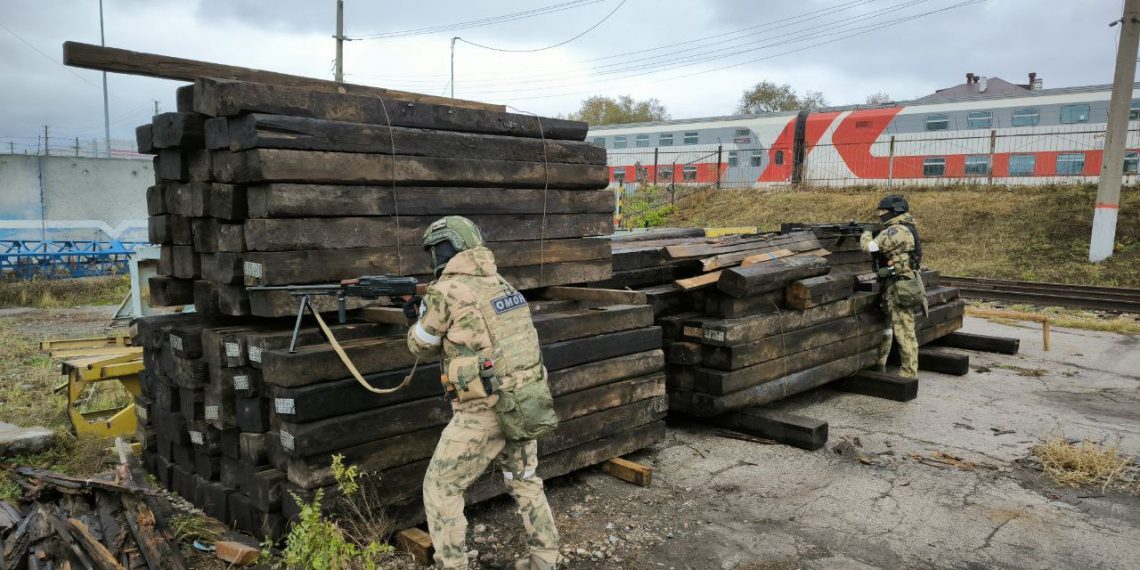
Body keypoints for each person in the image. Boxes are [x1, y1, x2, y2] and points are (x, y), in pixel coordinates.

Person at [405, 216, 560, 570]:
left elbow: (421, 345)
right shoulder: (503, 284)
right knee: (525, 481)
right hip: (525, 403)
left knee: (440, 488)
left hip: (483, 412)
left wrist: (414, 320)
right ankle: (545, 561)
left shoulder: (445, 291)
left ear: (443, 250)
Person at [860, 195, 924, 378]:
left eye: (882, 212)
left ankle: (908, 374)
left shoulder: (897, 230)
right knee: (888, 327)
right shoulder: (906, 227)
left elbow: (871, 247)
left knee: (904, 331)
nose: (879, 215)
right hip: (895, 286)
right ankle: (880, 364)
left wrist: (865, 233)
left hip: (900, 288)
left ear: (893, 212)